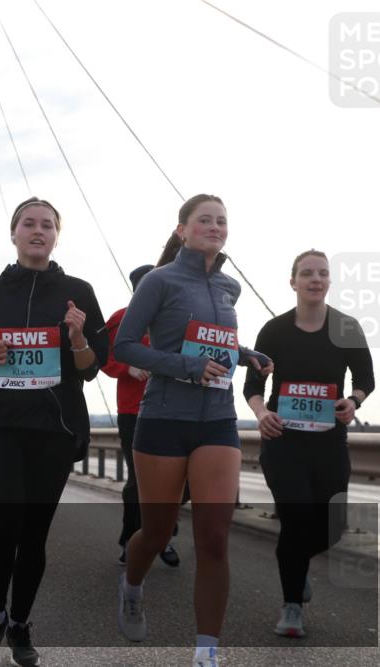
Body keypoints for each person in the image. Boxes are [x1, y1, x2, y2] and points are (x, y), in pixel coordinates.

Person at [114, 195, 273, 666]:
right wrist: (186, 367)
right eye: (204, 219)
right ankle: (132, 585)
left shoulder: (229, 288)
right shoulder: (159, 282)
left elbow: (213, 339)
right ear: (182, 229)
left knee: (214, 538)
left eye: (221, 221)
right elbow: (124, 346)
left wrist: (245, 355)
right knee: (157, 530)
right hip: (163, 419)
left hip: (218, 422)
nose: (215, 226)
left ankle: (207, 653)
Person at [0, 198, 108, 667]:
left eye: (47, 225)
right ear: (14, 233)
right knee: (3, 527)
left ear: (55, 236)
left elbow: (91, 369)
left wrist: (78, 340)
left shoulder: (78, 292)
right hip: (0, 426)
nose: (38, 230)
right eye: (29, 223)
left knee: (34, 535)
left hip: (54, 430)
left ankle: (21, 623)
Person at [244, 250, 375, 638]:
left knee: (334, 527)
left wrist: (353, 402)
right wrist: (261, 415)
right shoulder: (274, 330)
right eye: (307, 273)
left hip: (329, 443)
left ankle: (294, 560)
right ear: (293, 282)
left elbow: (365, 378)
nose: (315, 279)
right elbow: (253, 387)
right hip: (283, 442)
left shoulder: (346, 328)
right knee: (297, 519)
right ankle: (292, 606)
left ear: (329, 281)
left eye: (322, 273)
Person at [103, 264, 181, 567]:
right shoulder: (121, 318)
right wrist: (128, 368)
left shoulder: (178, 317)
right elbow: (103, 358)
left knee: (175, 483)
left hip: (175, 410)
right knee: (139, 483)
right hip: (134, 412)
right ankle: (131, 539)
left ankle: (163, 536)